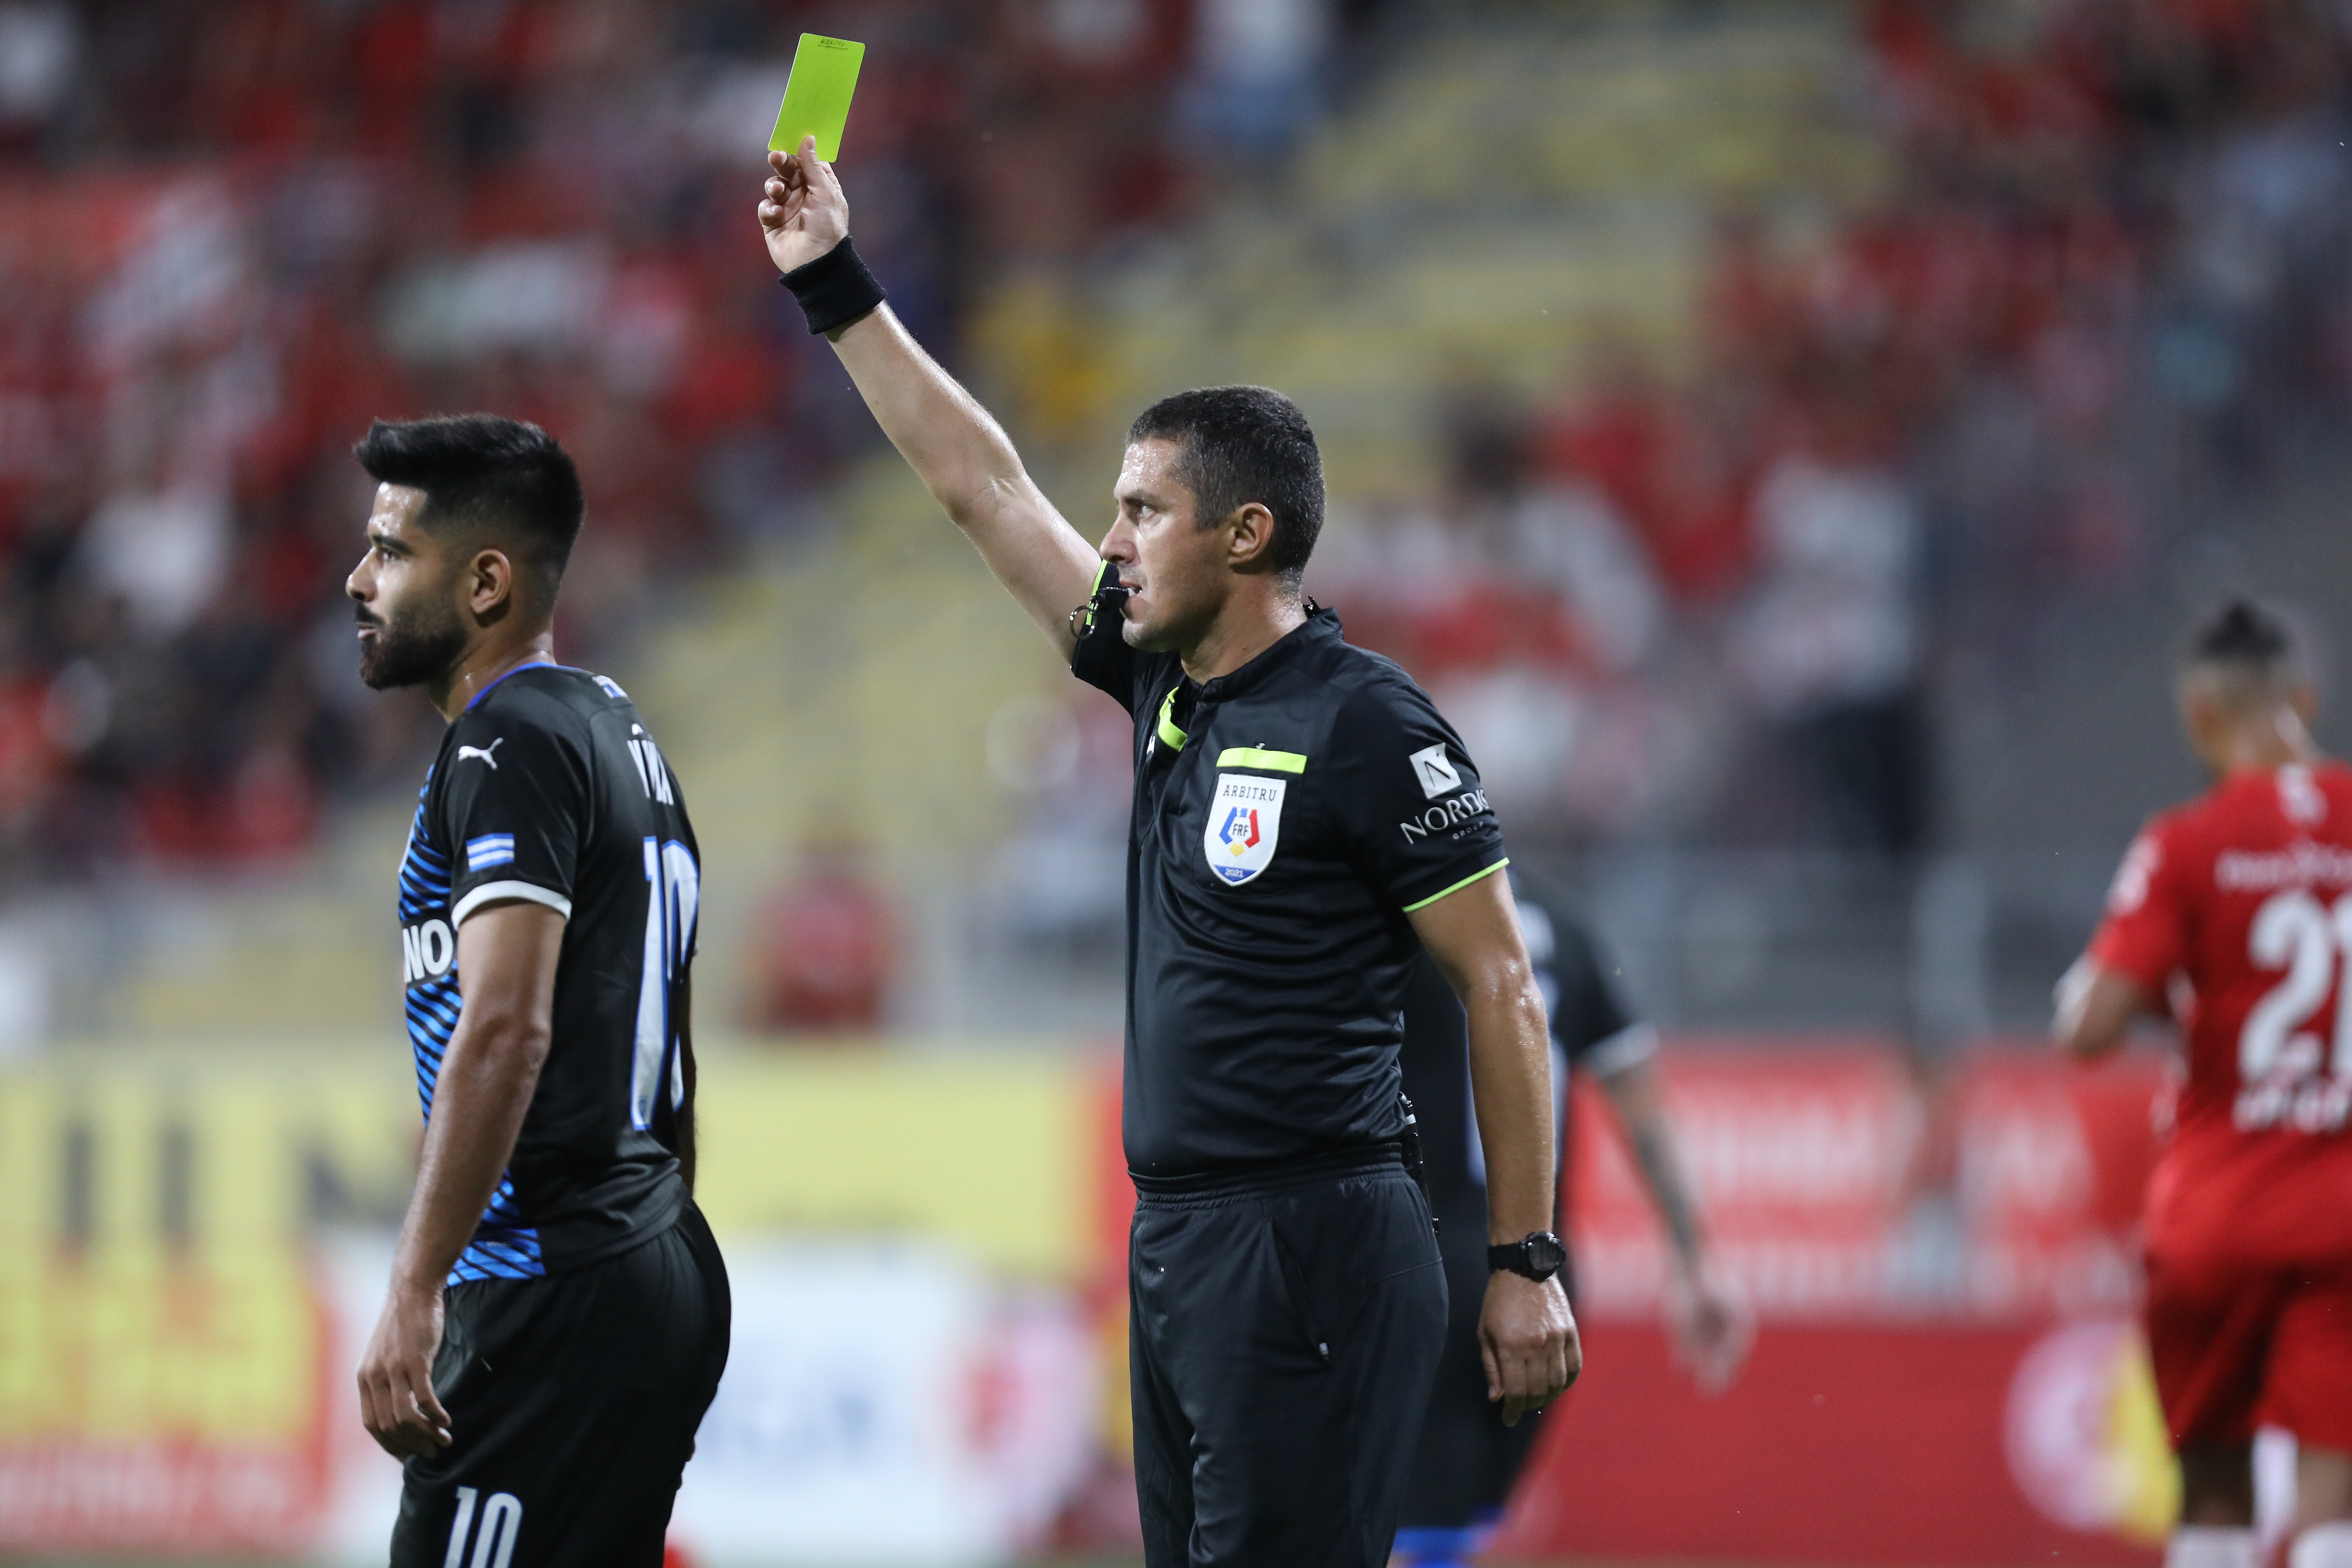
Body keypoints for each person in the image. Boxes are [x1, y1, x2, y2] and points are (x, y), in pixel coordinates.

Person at [757, 141, 1576, 1567]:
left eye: (1144, 512)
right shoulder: (1164, 688)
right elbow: (986, 490)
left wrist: (1524, 1260)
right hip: (1183, 1242)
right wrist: (833, 282)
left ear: (1246, 534)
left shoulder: (1369, 724)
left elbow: (1501, 987)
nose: (1115, 540)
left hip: (1319, 1239)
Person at [345, 415, 729, 1567]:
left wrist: (415, 1289)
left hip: (554, 1283)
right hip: (646, 1254)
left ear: (486, 582)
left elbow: (505, 1025)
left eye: (390, 551)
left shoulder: (505, 743)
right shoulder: (614, 730)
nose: (357, 580)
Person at [2057, 599, 2352, 1568]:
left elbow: (2088, 1028)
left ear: (2197, 716)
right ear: (2306, 698)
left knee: (2215, 1494)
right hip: (2343, 1216)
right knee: (2331, 1500)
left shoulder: (2187, 842)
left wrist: (2162, 987)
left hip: (2216, 1211)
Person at [1394, 874, 1748, 1568]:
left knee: (1407, 1526)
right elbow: (1641, 1106)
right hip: (1539, 1271)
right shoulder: (1566, 931)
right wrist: (1696, 1258)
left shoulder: (1401, 924)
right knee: (1466, 1524)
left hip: (1418, 1260)